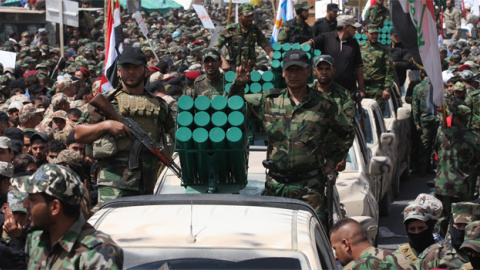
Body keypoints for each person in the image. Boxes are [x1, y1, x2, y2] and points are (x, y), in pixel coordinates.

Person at [230, 50, 354, 228]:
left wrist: (332, 161)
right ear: (282, 72)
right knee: (274, 235)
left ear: (308, 72)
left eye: (298, 70)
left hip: (310, 187)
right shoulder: (269, 101)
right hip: (276, 185)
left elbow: (346, 132)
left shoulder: (325, 104)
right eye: (289, 70)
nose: (293, 75)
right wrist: (238, 85)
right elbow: (234, 107)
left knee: (314, 235)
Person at [75, 46, 175, 207]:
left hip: (148, 183)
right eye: (126, 68)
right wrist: (106, 125)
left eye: (135, 67)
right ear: (119, 72)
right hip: (113, 183)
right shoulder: (108, 102)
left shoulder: (159, 105)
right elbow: (78, 133)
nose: (131, 72)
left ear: (145, 71)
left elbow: (173, 135)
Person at [12, 164, 123, 269]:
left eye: (32, 199)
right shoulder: (36, 238)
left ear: (55, 207)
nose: (24, 205)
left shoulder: (98, 251)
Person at [434, 101, 480, 237]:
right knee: (460, 221)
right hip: (463, 187)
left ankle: (439, 247)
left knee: (441, 218)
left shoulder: (442, 133)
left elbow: (435, 151)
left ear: (456, 118)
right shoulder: (474, 139)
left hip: (442, 185)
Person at [312, 54, 354, 172]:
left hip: (332, 155)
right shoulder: (306, 93)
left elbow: (348, 129)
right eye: (320, 69)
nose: (324, 72)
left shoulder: (344, 96)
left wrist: (341, 156)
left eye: (327, 69)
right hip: (308, 153)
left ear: (333, 71)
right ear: (314, 71)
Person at [304, 15, 364, 97]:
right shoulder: (326, 37)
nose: (356, 30)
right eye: (354, 27)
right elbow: (307, 45)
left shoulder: (354, 43)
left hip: (348, 92)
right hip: (328, 92)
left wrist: (360, 89)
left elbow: (359, 67)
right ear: (346, 27)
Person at [330, 218, 415, 269]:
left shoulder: (352, 268)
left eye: (335, 249)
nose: (336, 257)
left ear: (346, 244)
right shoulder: (403, 259)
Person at [417, 202, 480, 270]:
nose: (462, 229)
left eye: (467, 226)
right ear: (451, 225)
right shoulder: (434, 254)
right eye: (459, 225)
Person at [214, 3, 273, 71]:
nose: (250, 18)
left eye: (251, 15)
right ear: (239, 15)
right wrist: (223, 61)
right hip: (232, 69)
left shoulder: (255, 30)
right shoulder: (231, 30)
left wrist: (273, 57)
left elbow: (266, 46)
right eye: (247, 16)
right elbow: (216, 47)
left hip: (249, 70)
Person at [360, 25, 394, 111]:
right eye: (372, 33)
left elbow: (389, 70)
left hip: (377, 88)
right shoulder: (360, 48)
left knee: (377, 115)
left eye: (376, 34)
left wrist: (387, 88)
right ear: (366, 34)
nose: (374, 36)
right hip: (363, 88)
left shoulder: (383, 49)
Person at [412, 69, 437, 176]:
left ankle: (422, 169)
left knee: (424, 145)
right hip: (437, 118)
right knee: (434, 144)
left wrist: (416, 122)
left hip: (424, 119)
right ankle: (430, 167)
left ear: (422, 74)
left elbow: (415, 106)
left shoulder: (417, 87)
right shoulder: (437, 86)